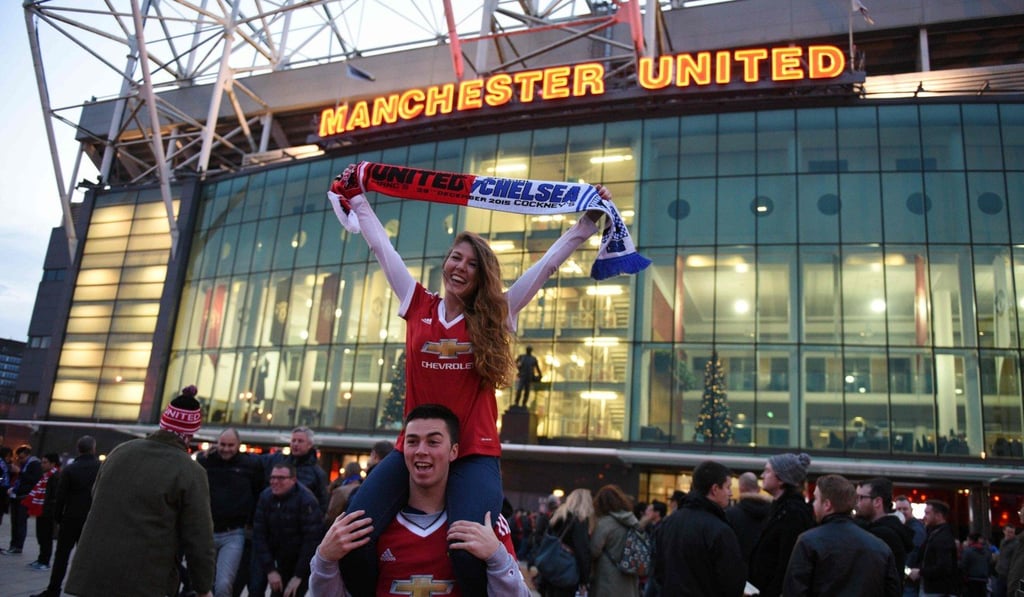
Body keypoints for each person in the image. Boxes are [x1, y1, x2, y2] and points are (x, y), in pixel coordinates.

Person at [329, 164, 610, 596]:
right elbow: (381, 245)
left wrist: (586, 224)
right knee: (351, 538)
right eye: (455, 257)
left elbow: (546, 266)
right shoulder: (416, 302)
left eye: (472, 264)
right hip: (414, 448)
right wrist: (359, 197)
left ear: (481, 276)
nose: (460, 267)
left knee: (467, 551)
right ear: (445, 263)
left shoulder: (497, 314)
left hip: (474, 456)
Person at [310, 403, 530, 596]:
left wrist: (497, 558)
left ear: (453, 451)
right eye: (412, 442)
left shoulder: (486, 524)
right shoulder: (369, 524)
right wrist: (324, 560)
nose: (421, 451)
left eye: (433, 442)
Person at [65, 385, 215, 597]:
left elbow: (96, 496)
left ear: (162, 424)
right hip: (143, 579)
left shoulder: (120, 452)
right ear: (190, 434)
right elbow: (198, 537)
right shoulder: (190, 470)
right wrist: (203, 587)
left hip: (91, 572)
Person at [783, 474, 901, 597]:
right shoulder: (880, 547)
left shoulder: (808, 542)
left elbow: (794, 590)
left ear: (827, 505)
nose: (813, 504)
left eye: (816, 499)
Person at [653, 460, 746, 597]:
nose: (730, 493)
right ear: (715, 489)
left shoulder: (668, 523)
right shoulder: (719, 530)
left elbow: (658, 572)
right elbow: (732, 583)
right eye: (728, 487)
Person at [29, 436, 100, 597]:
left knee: (61, 556)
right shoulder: (100, 468)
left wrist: (59, 518)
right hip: (90, 519)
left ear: (78, 449)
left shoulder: (70, 469)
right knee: (86, 557)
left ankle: (53, 589)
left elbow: (60, 497)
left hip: (70, 518)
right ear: (93, 449)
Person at [197, 428, 264, 597]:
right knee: (201, 583)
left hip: (233, 533)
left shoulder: (251, 465)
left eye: (230, 445)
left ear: (239, 445)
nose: (226, 449)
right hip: (207, 530)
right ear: (216, 444)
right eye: (222, 444)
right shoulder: (205, 460)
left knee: (224, 584)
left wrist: (250, 521)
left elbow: (258, 492)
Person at [748, 452, 815, 597]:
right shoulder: (781, 508)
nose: (762, 475)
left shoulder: (793, 512)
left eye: (767, 471)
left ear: (781, 479)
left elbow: (788, 561)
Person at [252, 462, 322, 597]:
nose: (275, 482)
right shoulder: (265, 497)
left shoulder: (306, 501)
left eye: (281, 478)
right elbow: (259, 534)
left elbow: (311, 541)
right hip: (274, 556)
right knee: (256, 588)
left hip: (297, 560)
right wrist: (270, 570)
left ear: (293, 480)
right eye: (272, 477)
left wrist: (298, 576)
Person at [854, 478, 914, 589]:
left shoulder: (882, 534)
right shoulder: (889, 529)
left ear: (877, 502)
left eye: (861, 497)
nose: (857, 503)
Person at [590, 484, 641, 597]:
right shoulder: (632, 521)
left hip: (608, 578)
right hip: (629, 577)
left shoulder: (605, 523)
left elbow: (594, 550)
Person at [541, 488, 593, 597]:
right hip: (566, 571)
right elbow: (582, 552)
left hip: (550, 566)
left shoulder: (558, 515)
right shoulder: (579, 520)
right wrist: (585, 579)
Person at [264, 427, 329, 514]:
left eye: (300, 441)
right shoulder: (279, 462)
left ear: (309, 445)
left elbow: (323, 503)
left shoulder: (317, 473)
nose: (295, 444)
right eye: (293, 440)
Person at [908, 499, 959, 597]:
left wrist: (920, 572)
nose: (924, 517)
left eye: (927, 513)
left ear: (938, 515)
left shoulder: (942, 537)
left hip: (937, 591)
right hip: (932, 589)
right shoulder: (934, 534)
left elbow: (944, 567)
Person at [725, 471, 772, 564]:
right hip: (765, 568)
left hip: (740, 568)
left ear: (741, 488)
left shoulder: (731, 514)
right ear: (758, 489)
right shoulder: (773, 511)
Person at [4, 443, 41, 555]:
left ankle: (18, 546)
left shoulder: (34, 465)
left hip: (24, 496)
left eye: (21, 457)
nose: (20, 460)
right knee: (14, 522)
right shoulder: (23, 464)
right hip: (16, 495)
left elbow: (33, 480)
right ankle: (13, 544)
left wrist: (20, 472)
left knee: (20, 522)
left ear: (27, 455)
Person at [25, 452, 60, 571]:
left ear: (53, 464)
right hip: (42, 510)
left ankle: (45, 561)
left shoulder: (55, 477)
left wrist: (49, 508)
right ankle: (41, 559)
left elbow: (54, 497)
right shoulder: (46, 476)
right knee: (41, 536)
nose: (42, 465)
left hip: (48, 512)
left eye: (45, 462)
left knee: (46, 537)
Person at [895, 494, 927, 597]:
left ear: (911, 510)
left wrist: (906, 571)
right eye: (899, 509)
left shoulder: (915, 529)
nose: (902, 512)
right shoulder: (904, 526)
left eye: (905, 509)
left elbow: (913, 553)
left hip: (909, 581)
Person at [960, 532, 991, 597]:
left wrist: (964, 577)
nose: (967, 541)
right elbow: (989, 563)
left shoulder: (967, 551)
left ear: (971, 540)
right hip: (983, 580)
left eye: (968, 540)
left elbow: (963, 566)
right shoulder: (986, 551)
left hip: (971, 580)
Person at [995, 525, 1019, 597]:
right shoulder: (1002, 541)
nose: (1010, 534)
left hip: (1009, 575)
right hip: (1000, 573)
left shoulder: (1016, 544)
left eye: (1012, 532)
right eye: (1008, 532)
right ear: (1004, 531)